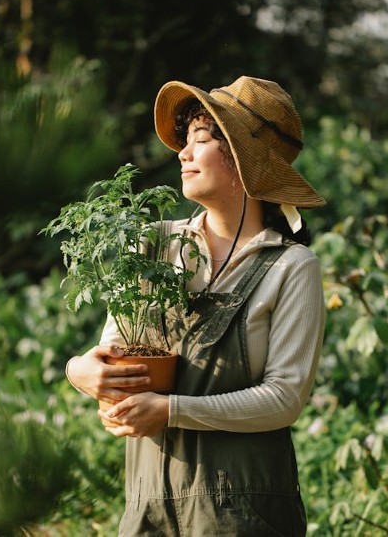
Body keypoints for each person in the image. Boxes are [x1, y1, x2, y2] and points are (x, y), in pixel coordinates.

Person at [66, 76, 326, 536]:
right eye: (185, 141)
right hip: (149, 505)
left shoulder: (291, 267)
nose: (183, 154)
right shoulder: (153, 245)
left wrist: (170, 410)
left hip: (244, 513)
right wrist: (80, 372)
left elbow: (284, 399)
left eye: (200, 140)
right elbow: (111, 351)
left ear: (245, 163)